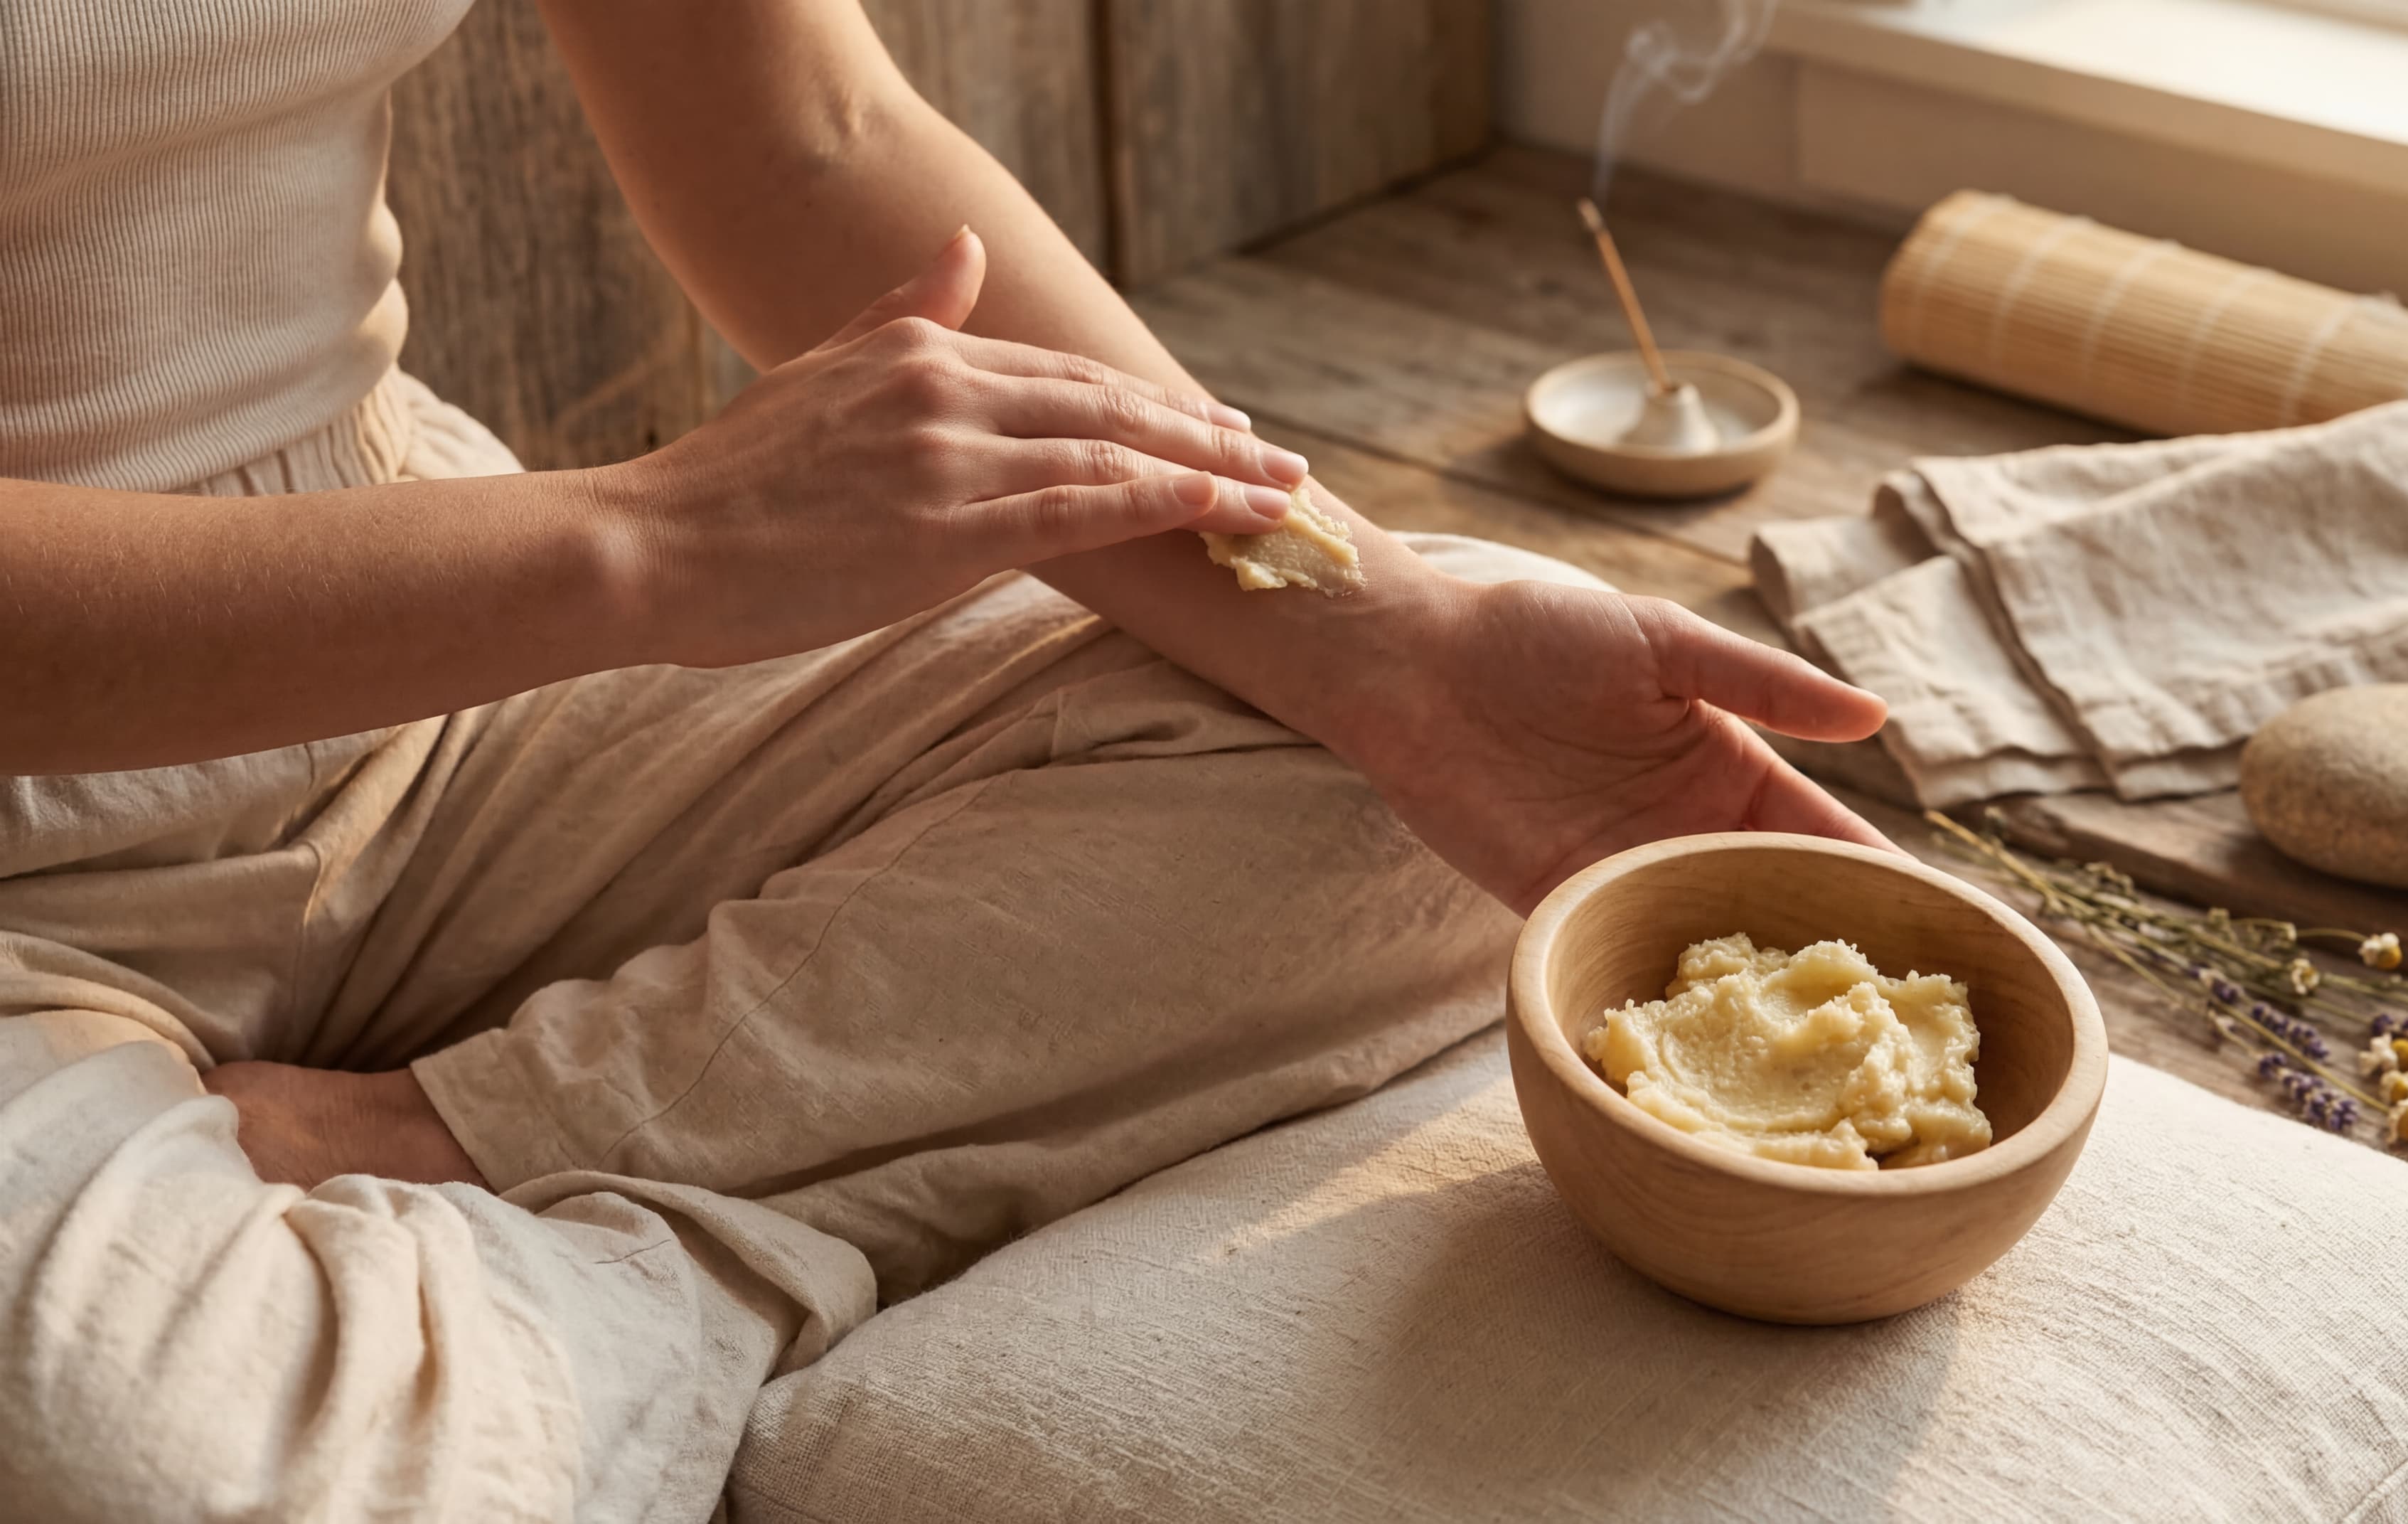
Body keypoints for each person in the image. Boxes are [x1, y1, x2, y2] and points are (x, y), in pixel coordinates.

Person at [0, 1, 1892, 1518]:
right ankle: (687, 1236)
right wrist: (651, 544)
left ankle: (452, 1145)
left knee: (1465, 764)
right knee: (158, 1468)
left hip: (445, 660)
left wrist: (1390, 634)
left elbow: (811, 135)